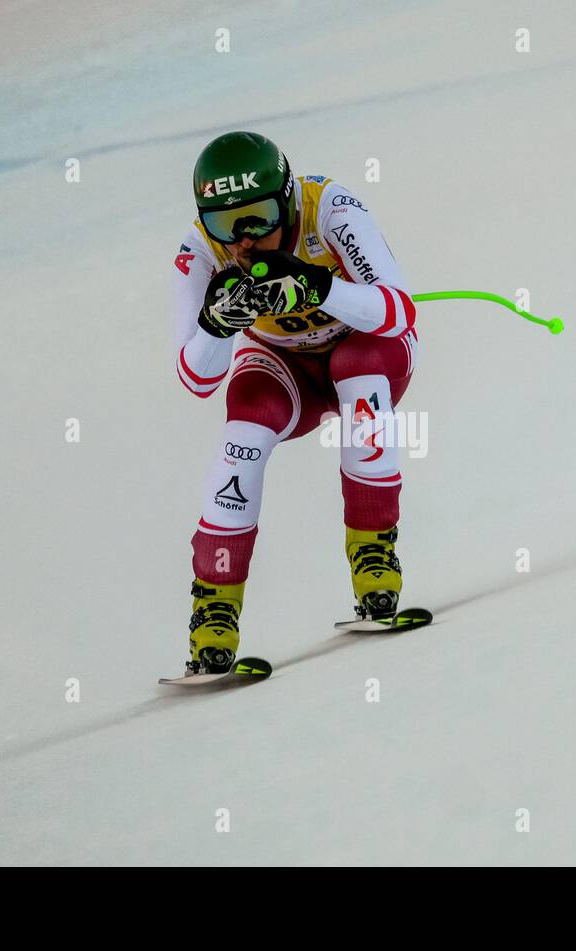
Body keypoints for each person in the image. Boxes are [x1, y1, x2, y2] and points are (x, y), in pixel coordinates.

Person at [170, 131, 419, 675]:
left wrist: (316, 287)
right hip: (288, 367)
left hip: (365, 346)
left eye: (258, 216)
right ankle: (214, 612)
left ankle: (375, 561)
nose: (242, 240)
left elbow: (398, 312)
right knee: (245, 431)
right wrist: (216, 326)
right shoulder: (199, 251)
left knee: (359, 372)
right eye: (223, 224)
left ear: (286, 199)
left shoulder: (329, 207)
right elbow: (195, 378)